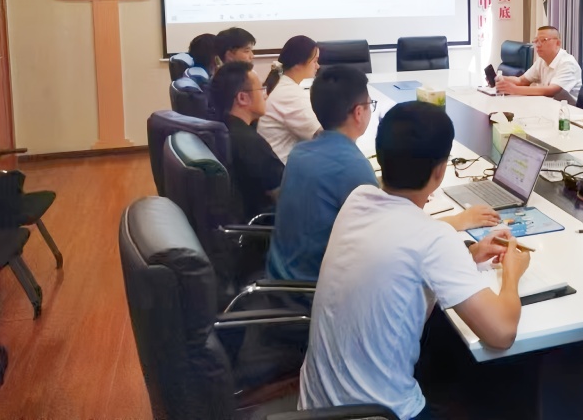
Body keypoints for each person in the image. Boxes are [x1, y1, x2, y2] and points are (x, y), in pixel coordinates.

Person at [298, 101, 530, 419]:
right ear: (440, 171)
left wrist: (470, 255)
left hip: (318, 405)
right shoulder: (433, 238)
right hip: (382, 413)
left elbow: (401, 255)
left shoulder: (358, 198)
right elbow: (501, 333)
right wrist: (512, 273)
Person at [268, 66, 500, 282]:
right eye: (370, 104)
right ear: (359, 112)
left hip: (282, 272)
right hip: (312, 286)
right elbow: (398, 241)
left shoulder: (300, 152)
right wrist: (459, 221)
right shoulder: (353, 169)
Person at [209, 61, 283, 220]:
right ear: (242, 98)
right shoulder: (250, 143)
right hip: (264, 225)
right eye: (261, 89)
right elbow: (286, 193)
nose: (265, 95)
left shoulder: (219, 129)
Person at [258, 35, 322, 163]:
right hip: (282, 168)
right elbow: (321, 137)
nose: (318, 66)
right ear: (298, 63)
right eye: (314, 61)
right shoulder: (289, 94)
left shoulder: (285, 86)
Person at [495, 26, 582, 101]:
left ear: (558, 43)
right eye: (536, 41)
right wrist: (500, 79)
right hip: (548, 104)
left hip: (569, 110)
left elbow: (551, 90)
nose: (538, 45)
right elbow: (521, 81)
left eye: (544, 40)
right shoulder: (542, 60)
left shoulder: (567, 63)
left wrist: (514, 89)